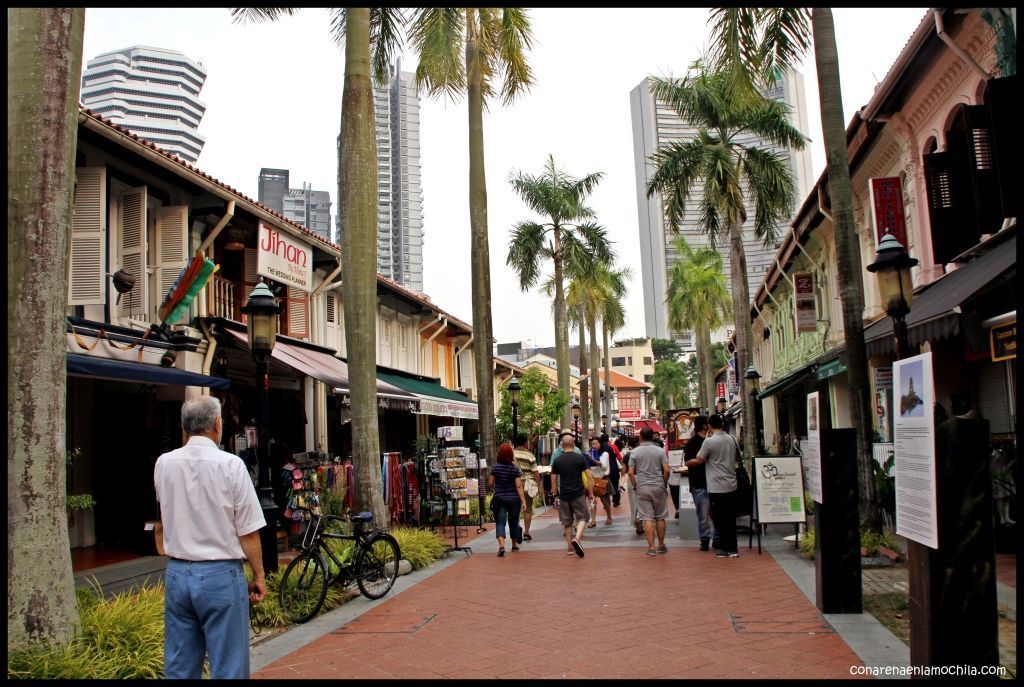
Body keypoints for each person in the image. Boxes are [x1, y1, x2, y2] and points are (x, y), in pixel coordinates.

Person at [153, 396, 267, 679]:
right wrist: (259, 575)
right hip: (220, 573)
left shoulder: (164, 463)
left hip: (178, 573)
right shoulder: (231, 465)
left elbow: (165, 511)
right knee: (228, 666)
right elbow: (248, 530)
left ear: (184, 427)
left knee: (180, 665)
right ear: (217, 424)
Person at [694, 413, 740, 558]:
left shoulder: (709, 442)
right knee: (731, 518)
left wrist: (706, 440)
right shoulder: (733, 438)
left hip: (716, 485)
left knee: (720, 518)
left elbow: (699, 459)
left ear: (709, 426)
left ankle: (725, 548)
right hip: (731, 483)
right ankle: (733, 548)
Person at [629, 427, 670, 556]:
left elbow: (630, 473)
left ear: (640, 437)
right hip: (658, 485)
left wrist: (636, 486)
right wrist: (663, 482)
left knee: (647, 518)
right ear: (652, 436)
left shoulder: (635, 452)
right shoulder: (660, 451)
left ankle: (651, 547)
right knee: (660, 516)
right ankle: (661, 545)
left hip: (643, 487)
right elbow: (667, 470)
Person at [551, 432, 593, 557]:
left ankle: (569, 547)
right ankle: (577, 538)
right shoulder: (580, 458)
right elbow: (589, 476)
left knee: (567, 522)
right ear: (574, 444)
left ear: (562, 445)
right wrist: (590, 493)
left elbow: (553, 480)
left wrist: (555, 496)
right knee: (583, 517)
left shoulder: (557, 460)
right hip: (578, 493)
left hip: (564, 494)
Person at [683, 415, 717, 551]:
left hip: (714, 482)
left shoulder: (711, 441)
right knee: (703, 514)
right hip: (699, 483)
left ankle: (717, 539)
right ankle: (705, 540)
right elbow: (687, 462)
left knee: (715, 513)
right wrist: (700, 460)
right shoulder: (693, 442)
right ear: (704, 426)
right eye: (707, 423)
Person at [488, 443, 527, 557]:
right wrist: (523, 501)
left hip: (500, 499)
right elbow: (519, 486)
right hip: (514, 500)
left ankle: (501, 546)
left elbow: (490, 483)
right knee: (513, 522)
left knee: (500, 522)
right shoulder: (515, 469)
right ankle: (514, 545)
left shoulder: (495, 468)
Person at [511, 433, 540, 542]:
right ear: (525, 443)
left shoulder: (511, 454)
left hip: (514, 484)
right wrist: (539, 487)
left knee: (515, 509)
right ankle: (526, 532)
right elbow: (536, 473)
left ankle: (516, 529)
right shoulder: (530, 455)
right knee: (527, 509)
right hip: (528, 485)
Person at [587, 437, 614, 527]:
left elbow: (604, 467)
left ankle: (609, 517)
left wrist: (592, 460)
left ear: (600, 444)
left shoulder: (604, 454)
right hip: (593, 479)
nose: (594, 446)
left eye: (596, 444)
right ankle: (593, 520)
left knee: (605, 500)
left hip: (603, 479)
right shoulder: (590, 453)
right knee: (592, 500)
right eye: (592, 444)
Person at [621, 435, 643, 535]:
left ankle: (637, 520)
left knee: (634, 502)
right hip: (643, 477)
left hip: (632, 478)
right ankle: (641, 518)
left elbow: (624, 471)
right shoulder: (642, 453)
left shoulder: (627, 456)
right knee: (644, 501)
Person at [602, 433, 623, 507]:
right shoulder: (614, 447)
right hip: (613, 469)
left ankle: (606, 503)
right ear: (608, 439)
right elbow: (620, 458)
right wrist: (623, 467)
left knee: (604, 486)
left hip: (604, 470)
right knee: (615, 485)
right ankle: (616, 501)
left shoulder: (600, 448)